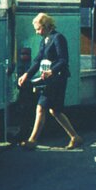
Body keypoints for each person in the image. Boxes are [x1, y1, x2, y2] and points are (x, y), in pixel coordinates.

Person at [17, 12, 83, 150]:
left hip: (58, 78)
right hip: (50, 79)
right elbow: (37, 60)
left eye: (38, 29)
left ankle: (32, 140)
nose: (36, 32)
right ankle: (75, 137)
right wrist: (26, 75)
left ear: (46, 26)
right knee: (55, 110)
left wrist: (51, 71)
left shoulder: (58, 38)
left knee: (42, 108)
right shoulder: (45, 40)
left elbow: (63, 60)